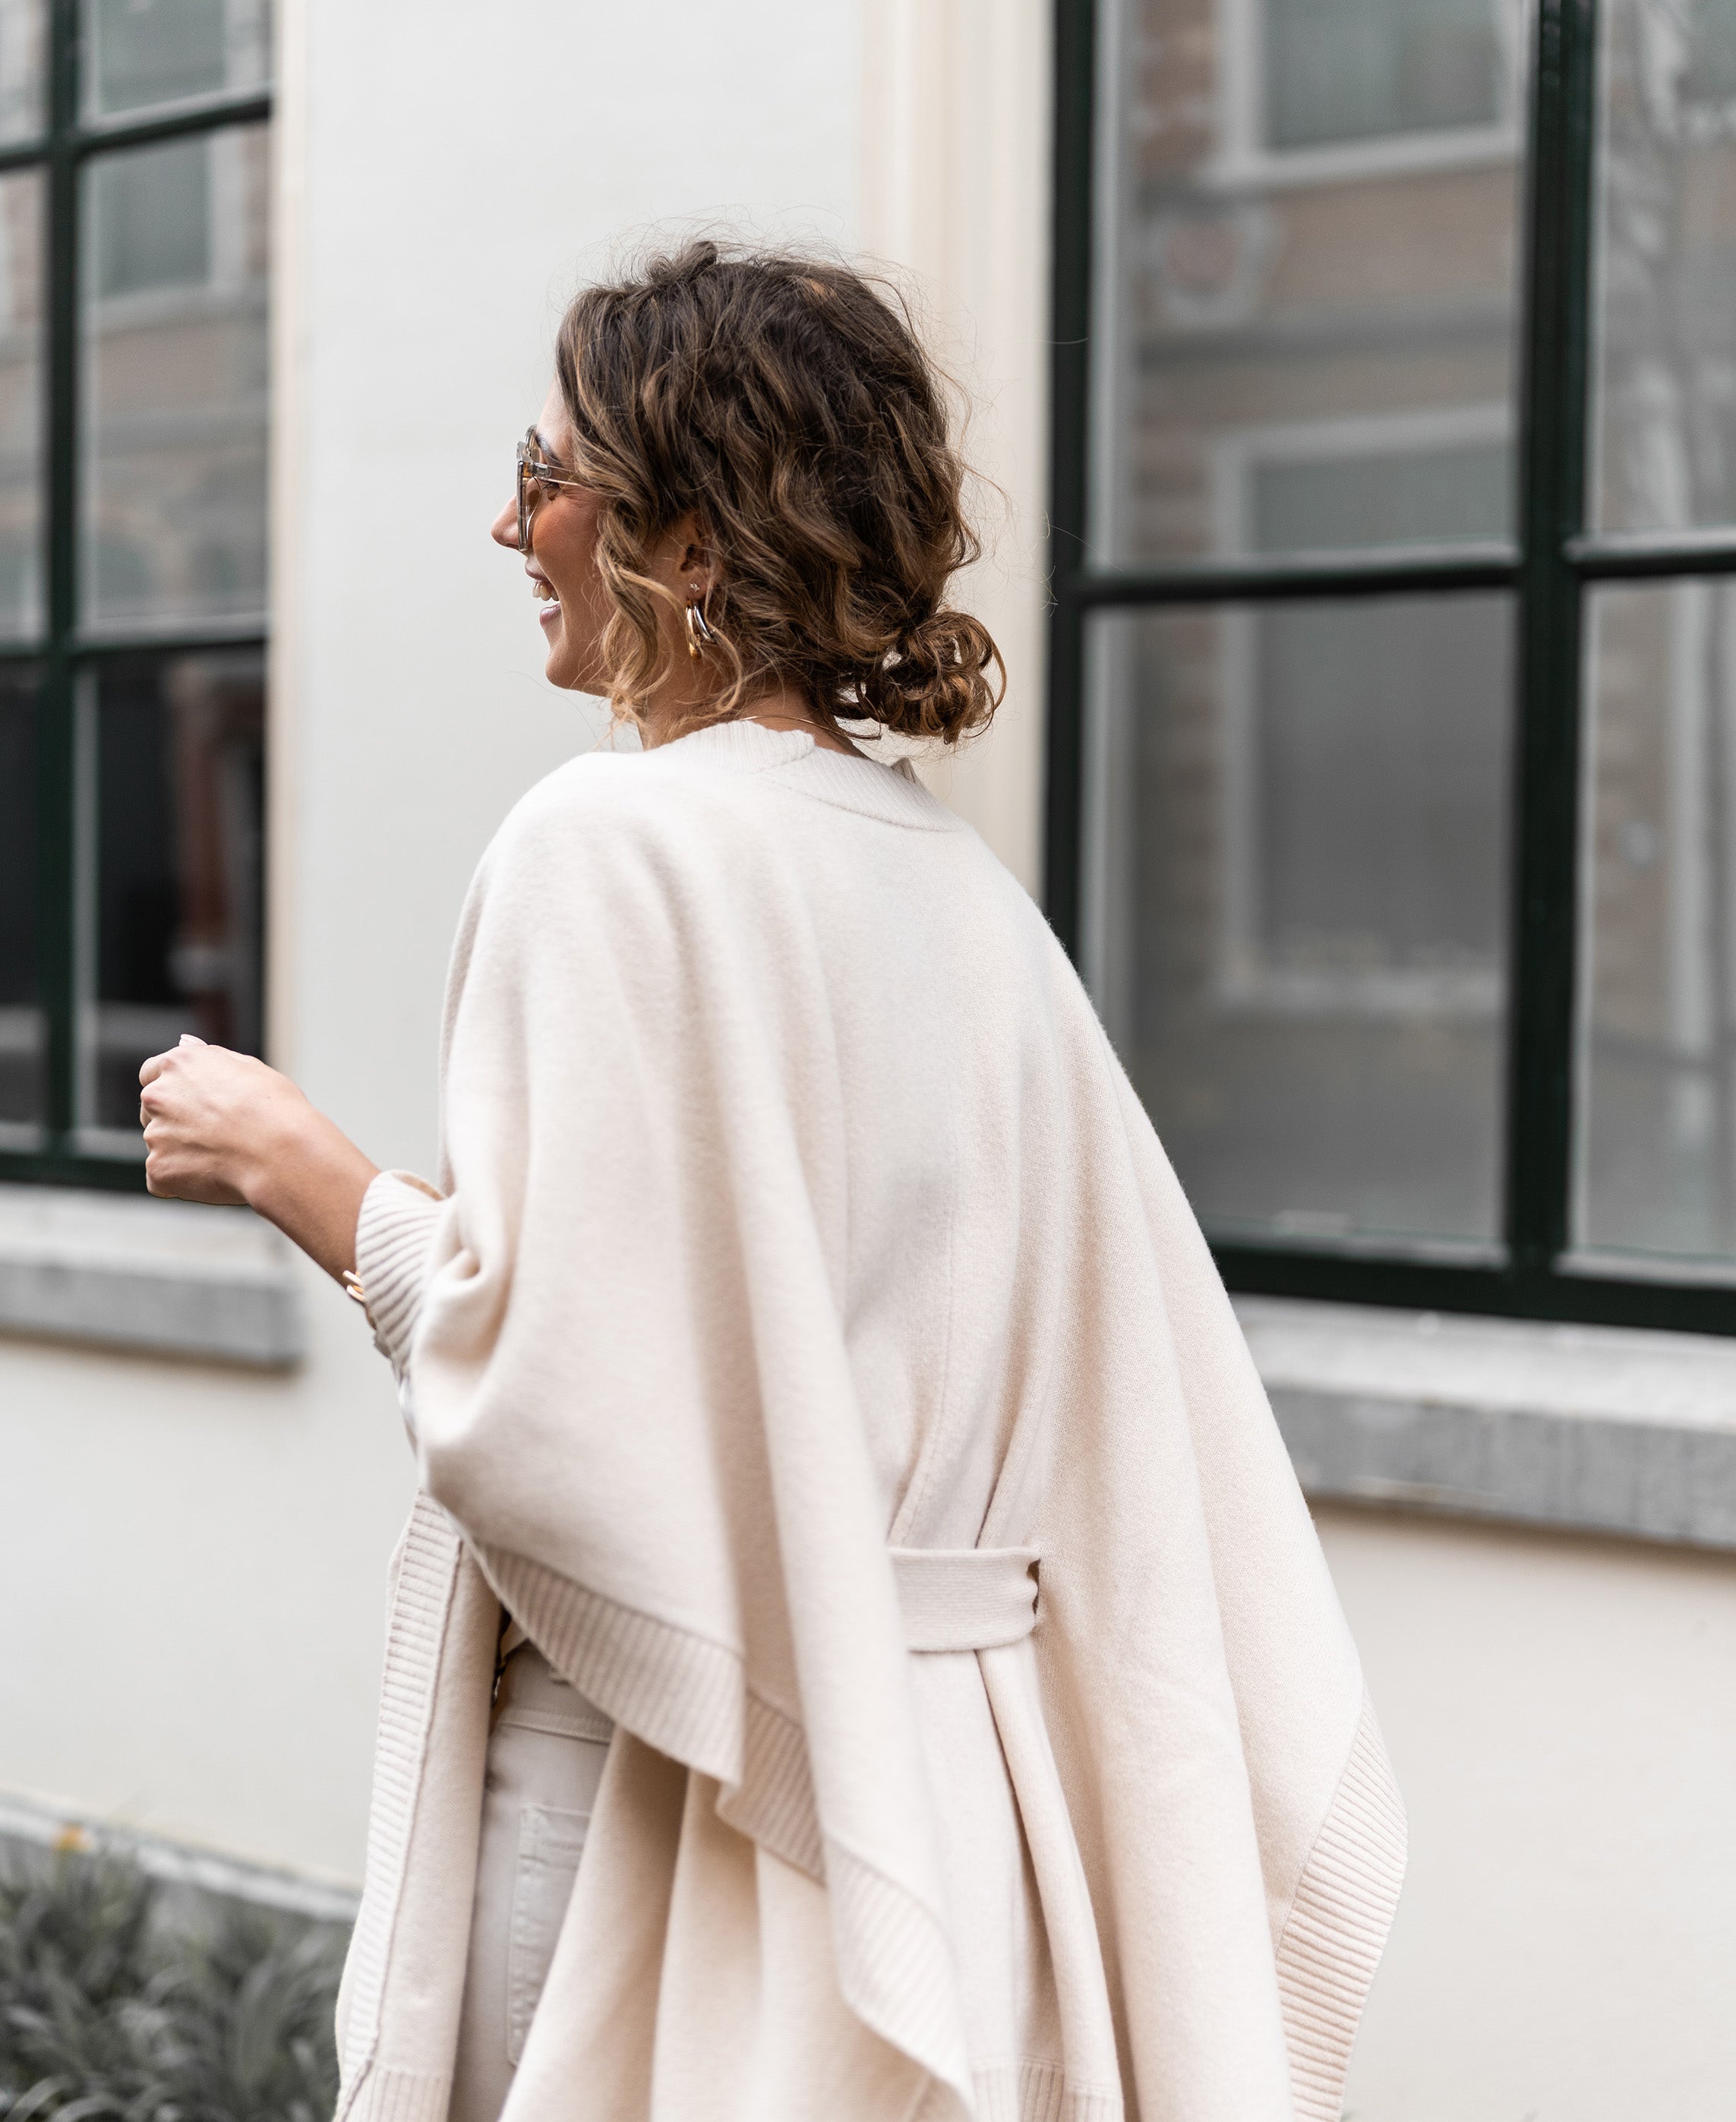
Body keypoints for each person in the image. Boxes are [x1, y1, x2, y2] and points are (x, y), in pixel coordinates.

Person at [137, 241, 1405, 2122]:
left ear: (696, 546)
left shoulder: (608, 842)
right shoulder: (967, 900)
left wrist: (301, 1167)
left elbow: (563, 1406)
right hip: (967, 1812)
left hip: (670, 1776)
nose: (508, 522)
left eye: (548, 475)